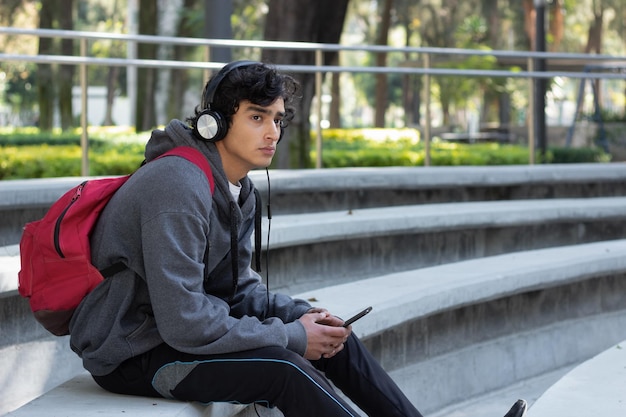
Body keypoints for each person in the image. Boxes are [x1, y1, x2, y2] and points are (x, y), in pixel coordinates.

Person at [69, 61, 527, 417]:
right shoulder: (176, 185)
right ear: (215, 123)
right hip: (136, 354)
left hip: (176, 338)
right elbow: (184, 321)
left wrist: (301, 318)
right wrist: (290, 337)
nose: (272, 133)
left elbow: (238, 289)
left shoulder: (237, 188)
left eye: (277, 119)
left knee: (333, 334)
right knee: (284, 366)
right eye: (256, 117)